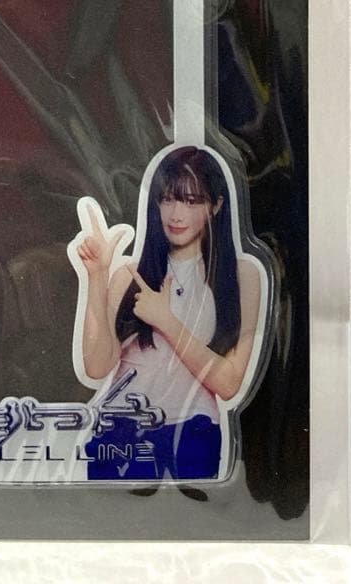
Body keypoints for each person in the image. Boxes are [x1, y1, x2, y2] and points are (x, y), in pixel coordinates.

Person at [70, 145, 262, 481]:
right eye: (168, 199)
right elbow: (97, 366)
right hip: (121, 429)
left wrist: (165, 320)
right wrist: (97, 276)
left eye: (192, 201)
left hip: (194, 433)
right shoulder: (129, 274)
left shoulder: (240, 276)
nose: (176, 214)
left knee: (192, 516)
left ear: (216, 206)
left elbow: (229, 383)